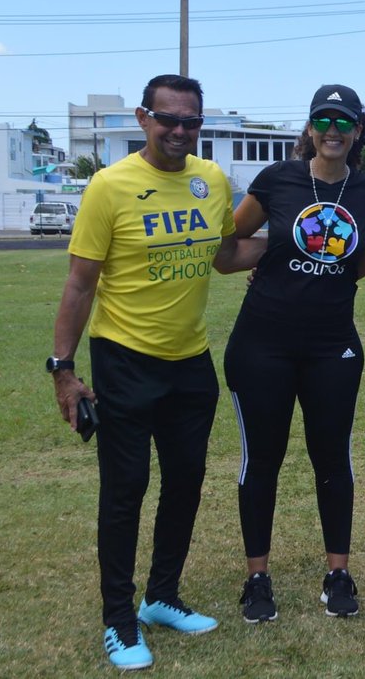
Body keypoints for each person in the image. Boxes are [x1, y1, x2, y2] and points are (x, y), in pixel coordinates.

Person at [49, 74, 236, 671]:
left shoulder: (211, 181)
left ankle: (162, 597)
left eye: (192, 122)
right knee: (126, 491)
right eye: (169, 119)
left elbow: (227, 252)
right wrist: (63, 371)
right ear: (143, 118)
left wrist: (297, 250)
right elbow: (80, 283)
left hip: (192, 361)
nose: (181, 131)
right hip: (124, 361)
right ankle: (119, 620)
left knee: (185, 483)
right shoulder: (110, 187)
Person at [220, 84, 365, 623]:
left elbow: (364, 259)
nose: (333, 131)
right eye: (324, 120)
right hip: (262, 344)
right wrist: (286, 243)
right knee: (262, 461)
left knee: (332, 458)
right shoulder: (277, 179)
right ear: (310, 128)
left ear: (358, 129)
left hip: (331, 346)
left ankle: (338, 574)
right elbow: (228, 251)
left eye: (344, 122)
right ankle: (256, 579)